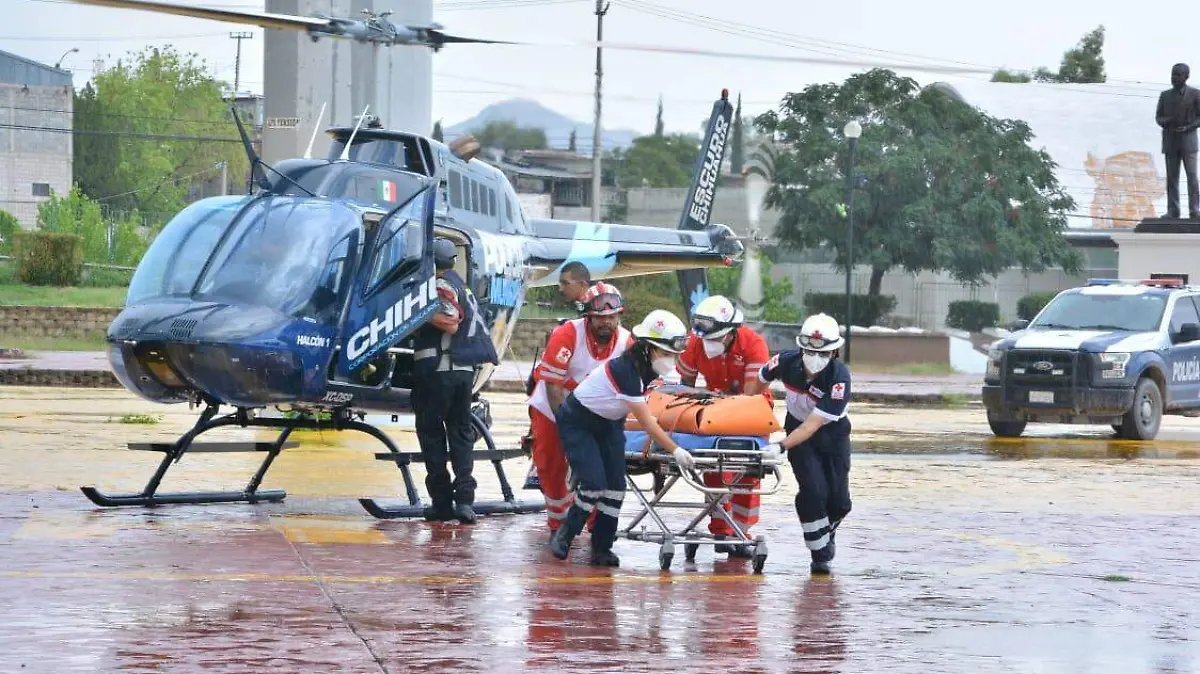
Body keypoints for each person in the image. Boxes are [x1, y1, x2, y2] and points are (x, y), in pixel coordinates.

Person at [549, 309, 695, 566]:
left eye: (674, 355)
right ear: (647, 348)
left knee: (616, 488)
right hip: (579, 422)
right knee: (594, 484)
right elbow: (646, 420)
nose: (670, 360)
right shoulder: (626, 370)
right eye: (666, 353)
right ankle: (566, 533)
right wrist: (675, 449)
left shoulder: (649, 369)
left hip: (609, 424)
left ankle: (602, 548)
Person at [526, 282, 633, 537]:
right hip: (553, 406)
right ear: (588, 317)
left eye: (612, 317)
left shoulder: (627, 343)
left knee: (598, 469)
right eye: (600, 318)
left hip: (596, 412)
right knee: (550, 463)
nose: (606, 323)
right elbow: (553, 386)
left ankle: (596, 525)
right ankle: (558, 523)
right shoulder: (567, 335)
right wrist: (568, 428)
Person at [411, 237, 500, 524]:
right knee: (461, 434)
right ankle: (464, 501)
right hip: (463, 373)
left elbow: (449, 321)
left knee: (431, 433)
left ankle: (441, 502)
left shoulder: (440, 285)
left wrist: (413, 313)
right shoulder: (463, 287)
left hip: (439, 371)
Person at [676, 295, 771, 558]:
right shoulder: (694, 343)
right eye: (706, 339)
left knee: (747, 474)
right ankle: (720, 530)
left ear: (731, 333)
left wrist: (719, 402)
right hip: (714, 410)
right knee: (713, 468)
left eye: (715, 339)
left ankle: (741, 531)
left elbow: (751, 395)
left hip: (752, 411)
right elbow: (684, 386)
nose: (709, 344)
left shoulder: (753, 345)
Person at [758, 313, 852, 575]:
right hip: (797, 430)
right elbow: (759, 380)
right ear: (801, 349)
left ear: (834, 353)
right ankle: (820, 554)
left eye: (823, 353)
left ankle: (824, 532)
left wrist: (779, 446)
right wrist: (747, 407)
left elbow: (812, 426)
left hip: (832, 433)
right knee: (814, 491)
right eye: (810, 352)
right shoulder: (786, 362)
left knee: (840, 502)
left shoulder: (839, 379)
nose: (815, 358)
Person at [1156, 63, 1200, 219]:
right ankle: (1173, 210)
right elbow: (1158, 117)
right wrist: (1167, 121)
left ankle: (1195, 209)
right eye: (1172, 74)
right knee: (1172, 179)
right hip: (1171, 141)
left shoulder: (1195, 94)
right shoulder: (1165, 95)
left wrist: (1188, 127)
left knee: (1192, 177)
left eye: (1177, 74)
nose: (1173, 78)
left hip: (1189, 142)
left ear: (1186, 77)